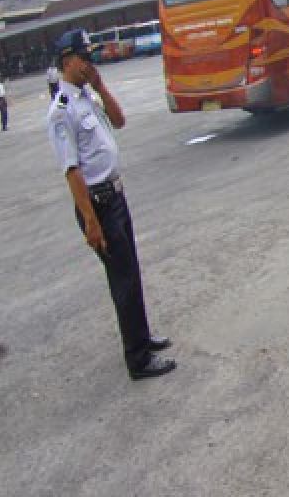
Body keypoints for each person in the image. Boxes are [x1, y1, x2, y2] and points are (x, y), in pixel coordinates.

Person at [45, 29, 176, 380]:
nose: (90, 63)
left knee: (131, 272)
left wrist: (101, 87)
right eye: (84, 58)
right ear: (67, 60)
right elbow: (71, 170)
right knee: (123, 279)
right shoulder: (61, 111)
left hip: (115, 195)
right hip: (98, 204)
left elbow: (119, 121)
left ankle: (142, 337)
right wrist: (90, 221)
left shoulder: (89, 95)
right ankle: (138, 359)